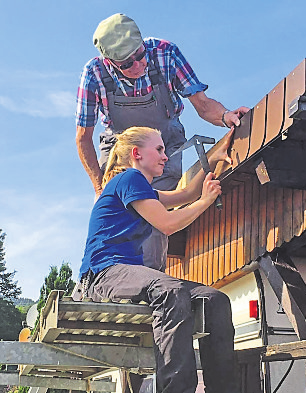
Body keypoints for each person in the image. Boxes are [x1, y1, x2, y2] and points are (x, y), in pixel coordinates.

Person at [75, 13, 249, 271]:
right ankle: (108, 280)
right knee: (116, 218)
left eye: (139, 55)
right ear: (109, 61)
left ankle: (151, 285)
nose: (137, 65)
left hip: (164, 141)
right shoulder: (94, 73)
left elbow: (202, 104)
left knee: (156, 225)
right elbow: (83, 138)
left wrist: (225, 116)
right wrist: (99, 188)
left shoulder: (165, 53)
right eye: (126, 64)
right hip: (119, 149)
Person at [79, 126, 238, 393]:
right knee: (169, 290)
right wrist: (206, 201)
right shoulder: (129, 178)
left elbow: (185, 196)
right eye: (160, 149)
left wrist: (212, 158)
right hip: (102, 275)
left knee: (216, 300)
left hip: (126, 273)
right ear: (137, 153)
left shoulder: (142, 188)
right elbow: (167, 224)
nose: (166, 156)